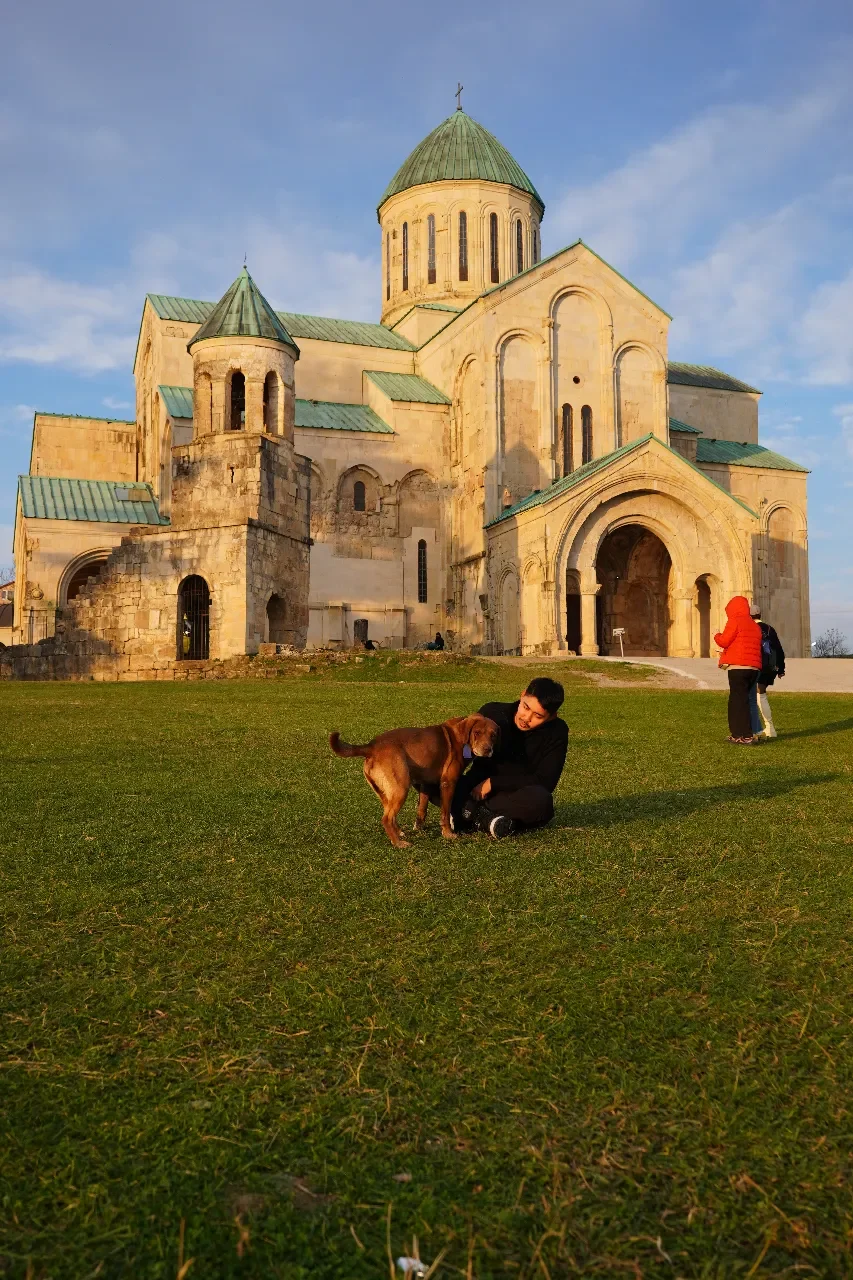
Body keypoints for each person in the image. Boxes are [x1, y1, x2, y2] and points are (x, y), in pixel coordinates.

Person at [451, 676, 568, 839]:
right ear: (522, 695)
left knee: (542, 803)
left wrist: (493, 783)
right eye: (526, 707)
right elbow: (463, 747)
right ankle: (487, 819)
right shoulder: (492, 713)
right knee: (439, 782)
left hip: (512, 794)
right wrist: (464, 758)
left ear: (552, 716)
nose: (526, 718)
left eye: (538, 716)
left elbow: (546, 781)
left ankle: (468, 814)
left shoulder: (557, 732)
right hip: (474, 787)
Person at [714, 596, 763, 745]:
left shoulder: (735, 621)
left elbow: (724, 641)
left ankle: (738, 735)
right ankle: (747, 735)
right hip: (754, 669)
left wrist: (716, 634)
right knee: (746, 701)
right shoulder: (755, 625)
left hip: (738, 668)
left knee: (736, 702)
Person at [748, 605, 785, 739]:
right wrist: (781, 669)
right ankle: (767, 728)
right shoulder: (770, 628)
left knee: (757, 696)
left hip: (757, 665)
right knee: (760, 695)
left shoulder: (750, 628)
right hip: (770, 667)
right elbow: (779, 649)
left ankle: (767, 728)